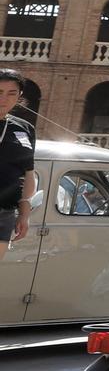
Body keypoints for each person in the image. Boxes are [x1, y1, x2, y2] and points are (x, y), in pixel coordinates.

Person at [0, 70, 36, 261]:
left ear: (19, 96)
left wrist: (24, 214)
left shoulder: (25, 128)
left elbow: (28, 173)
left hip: (4, 213)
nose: (4, 99)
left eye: (11, 93)